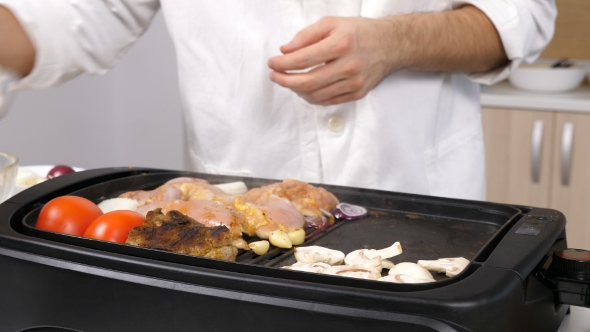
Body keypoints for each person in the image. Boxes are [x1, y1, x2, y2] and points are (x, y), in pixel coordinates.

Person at [0, 1, 556, 200]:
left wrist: (396, 41)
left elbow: (523, 15)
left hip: (418, 201)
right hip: (239, 216)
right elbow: (70, 19)